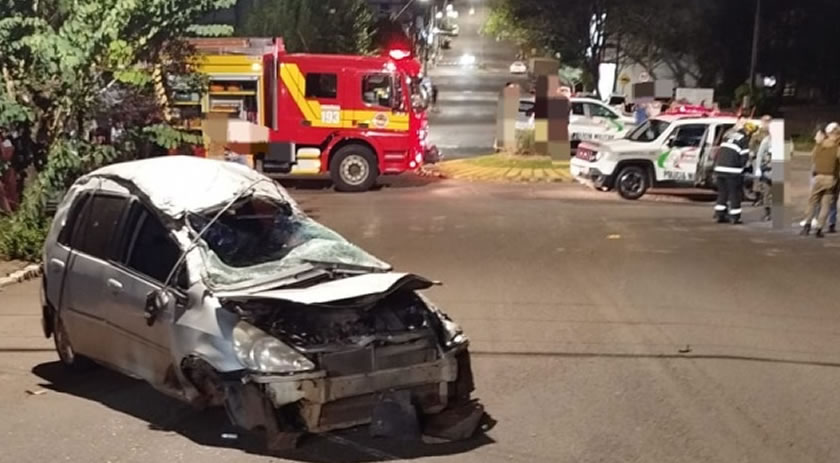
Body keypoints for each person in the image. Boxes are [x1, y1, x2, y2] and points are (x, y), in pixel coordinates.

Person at [714, 121, 759, 224]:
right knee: (735, 194)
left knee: (722, 193)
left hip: (719, 169)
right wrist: (746, 167)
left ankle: (720, 214)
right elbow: (744, 158)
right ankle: (735, 217)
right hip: (732, 171)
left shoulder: (728, 136)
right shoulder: (743, 140)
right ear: (749, 132)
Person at [801, 124, 840, 237]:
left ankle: (807, 226)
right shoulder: (836, 148)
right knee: (826, 204)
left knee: (812, 202)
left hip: (818, 177)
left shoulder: (820, 145)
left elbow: (813, 157)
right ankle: (819, 228)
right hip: (831, 178)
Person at [750, 115, 773, 220]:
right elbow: (755, 150)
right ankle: (767, 211)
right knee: (766, 190)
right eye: (765, 121)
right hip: (765, 166)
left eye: (769, 121)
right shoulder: (759, 135)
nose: (767, 123)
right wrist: (758, 165)